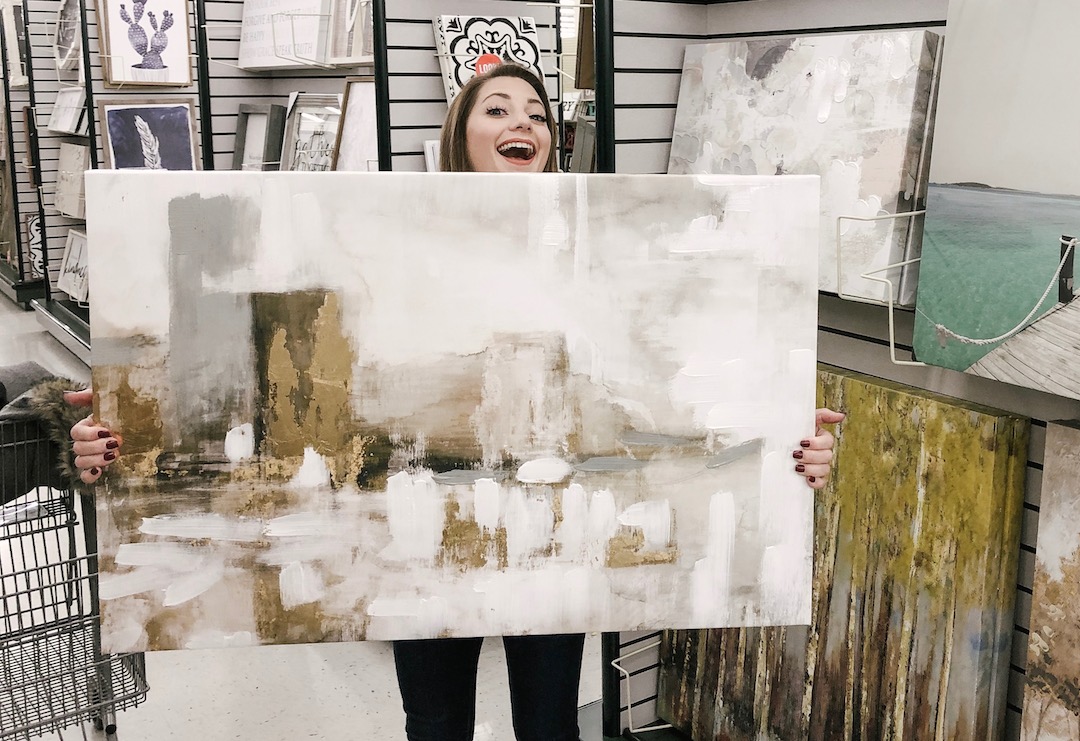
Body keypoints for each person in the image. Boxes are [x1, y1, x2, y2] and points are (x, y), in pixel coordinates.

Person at [70, 62, 845, 741]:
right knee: (436, 725)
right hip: (422, 534)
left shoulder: (590, 256)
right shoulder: (394, 247)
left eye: (538, 114)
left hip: (549, 532)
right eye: (498, 109)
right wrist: (106, 438)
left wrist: (776, 434)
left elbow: (650, 393)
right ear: (459, 135)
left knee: (549, 724)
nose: (523, 123)